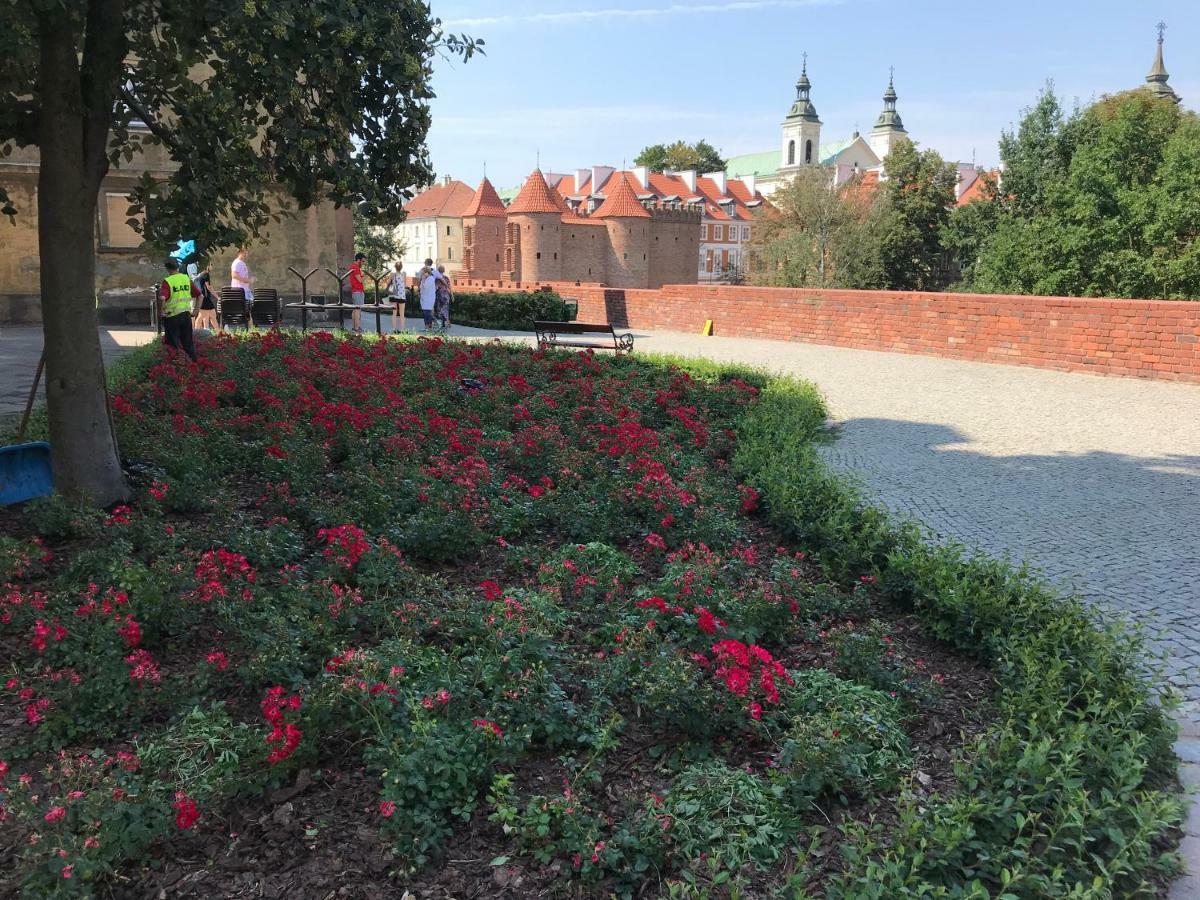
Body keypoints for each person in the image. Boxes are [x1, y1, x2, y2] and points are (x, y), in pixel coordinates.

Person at [159, 258, 200, 362]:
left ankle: (177, 367)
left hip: (172, 317)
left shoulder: (168, 281)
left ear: (167, 269)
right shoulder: (186, 278)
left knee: (173, 346)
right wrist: (196, 311)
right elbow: (200, 295)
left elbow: (163, 298)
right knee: (188, 344)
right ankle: (194, 365)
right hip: (186, 316)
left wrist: (161, 312)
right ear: (178, 267)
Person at [188, 263, 219, 332]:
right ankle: (219, 333)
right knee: (211, 315)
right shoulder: (206, 274)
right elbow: (209, 287)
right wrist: (217, 297)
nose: (212, 266)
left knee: (203, 316)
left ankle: (196, 333)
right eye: (211, 264)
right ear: (207, 266)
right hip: (205, 298)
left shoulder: (199, 275)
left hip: (200, 298)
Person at [347, 252, 366, 333]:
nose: (363, 263)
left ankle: (355, 327)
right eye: (363, 261)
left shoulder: (353, 267)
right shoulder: (355, 267)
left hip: (356, 291)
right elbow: (360, 280)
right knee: (358, 310)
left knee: (355, 310)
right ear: (358, 260)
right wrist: (364, 275)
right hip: (358, 291)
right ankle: (357, 328)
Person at [386, 261, 407, 332]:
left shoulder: (392, 274)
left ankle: (394, 329)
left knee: (394, 313)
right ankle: (402, 329)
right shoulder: (404, 274)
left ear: (395, 267)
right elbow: (404, 284)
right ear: (402, 267)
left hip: (394, 294)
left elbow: (388, 283)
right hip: (401, 295)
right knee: (402, 313)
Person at [419, 265, 438, 332]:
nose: (423, 274)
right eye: (423, 273)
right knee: (424, 313)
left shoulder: (431, 278)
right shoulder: (424, 279)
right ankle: (426, 327)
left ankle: (430, 327)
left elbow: (426, 287)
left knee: (428, 313)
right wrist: (423, 280)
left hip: (429, 298)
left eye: (424, 273)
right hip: (424, 298)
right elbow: (421, 287)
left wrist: (423, 280)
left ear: (427, 272)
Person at [433, 264, 453, 332]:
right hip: (446, 296)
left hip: (439, 296)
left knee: (439, 310)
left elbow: (435, 287)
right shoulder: (446, 278)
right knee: (445, 310)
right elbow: (449, 287)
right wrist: (452, 295)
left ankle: (444, 324)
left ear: (438, 271)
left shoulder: (436, 278)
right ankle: (445, 323)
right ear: (444, 271)